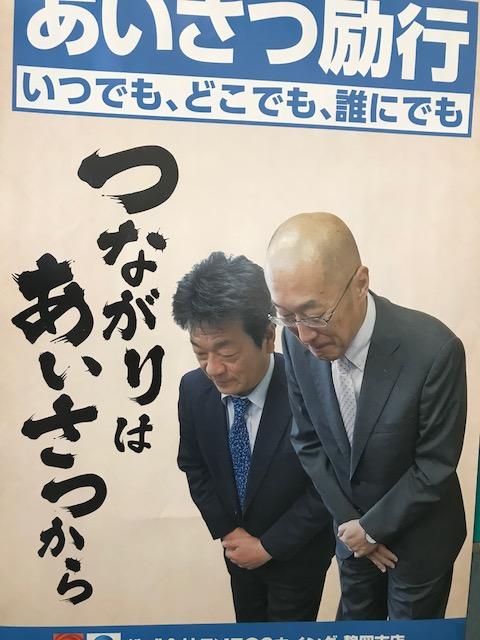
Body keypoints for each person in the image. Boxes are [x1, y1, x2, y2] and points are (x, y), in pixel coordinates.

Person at [265, 212, 467, 620]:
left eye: (315, 314)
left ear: (360, 284)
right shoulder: (296, 339)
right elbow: (308, 441)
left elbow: (434, 465)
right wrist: (355, 528)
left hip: (419, 537)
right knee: (354, 624)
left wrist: (373, 528)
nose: (304, 335)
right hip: (350, 531)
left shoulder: (434, 350)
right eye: (286, 315)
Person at [172, 251, 335, 622]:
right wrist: (229, 532)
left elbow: (327, 482)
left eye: (227, 352)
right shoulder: (193, 390)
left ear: (267, 337)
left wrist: (268, 546)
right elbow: (193, 465)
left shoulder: (310, 389)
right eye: (200, 353)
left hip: (297, 554)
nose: (213, 369)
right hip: (237, 551)